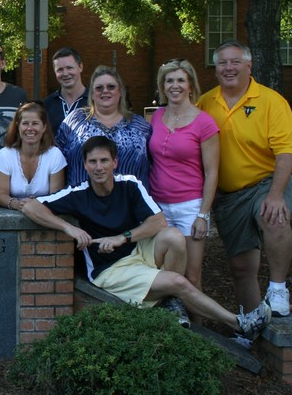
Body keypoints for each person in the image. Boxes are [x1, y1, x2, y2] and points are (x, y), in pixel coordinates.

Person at [21, 136, 271, 341]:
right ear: (85, 165)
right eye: (93, 162)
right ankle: (239, 323)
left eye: (104, 160)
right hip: (109, 270)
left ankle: (170, 302)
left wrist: (122, 237)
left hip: (136, 251)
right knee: (178, 281)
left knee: (174, 236)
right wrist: (69, 228)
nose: (99, 167)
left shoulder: (129, 184)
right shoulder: (78, 194)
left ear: (115, 162)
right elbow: (31, 207)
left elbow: (159, 222)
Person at [198, 40, 292, 317]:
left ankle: (278, 289)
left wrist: (276, 194)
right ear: (216, 69)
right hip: (229, 195)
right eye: (223, 63)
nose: (229, 68)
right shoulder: (205, 103)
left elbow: (285, 153)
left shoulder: (271, 101)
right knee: (241, 267)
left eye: (235, 62)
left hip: (267, 182)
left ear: (249, 66)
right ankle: (251, 324)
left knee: (273, 216)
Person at [148, 59, 219, 291]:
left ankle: (196, 316)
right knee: (161, 271)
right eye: (169, 81)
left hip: (190, 207)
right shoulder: (156, 117)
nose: (175, 85)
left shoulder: (204, 122)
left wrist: (203, 215)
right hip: (158, 207)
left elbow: (212, 172)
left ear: (190, 85)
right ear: (163, 86)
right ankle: (170, 315)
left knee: (192, 275)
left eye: (180, 80)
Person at [56, 65, 152, 190]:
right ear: (91, 94)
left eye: (111, 87)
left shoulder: (140, 125)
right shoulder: (75, 121)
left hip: (131, 199)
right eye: (99, 88)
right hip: (81, 199)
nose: (105, 91)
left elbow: (155, 164)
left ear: (120, 92)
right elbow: (55, 160)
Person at [0, 102, 67, 211]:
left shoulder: (55, 155)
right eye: (25, 123)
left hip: (45, 212)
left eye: (35, 123)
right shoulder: (5, 154)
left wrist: (38, 202)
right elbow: (1, 194)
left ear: (44, 127)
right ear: (18, 126)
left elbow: (56, 196)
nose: (30, 128)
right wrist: (17, 204)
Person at [42, 46, 89, 135]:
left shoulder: (95, 102)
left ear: (80, 67)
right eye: (60, 70)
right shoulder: (46, 105)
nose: (65, 73)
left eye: (69, 68)